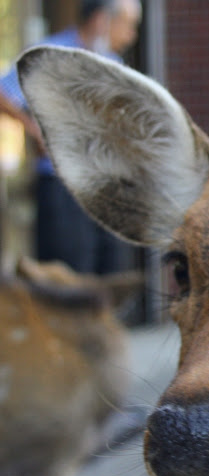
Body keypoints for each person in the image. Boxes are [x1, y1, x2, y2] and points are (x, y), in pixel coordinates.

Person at [0, 0, 142, 275]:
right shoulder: (51, 54)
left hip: (106, 186)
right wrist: (34, 129)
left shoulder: (113, 63)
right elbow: (4, 93)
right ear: (102, 20)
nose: (131, 35)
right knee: (69, 273)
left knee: (110, 270)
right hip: (62, 185)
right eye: (127, 25)